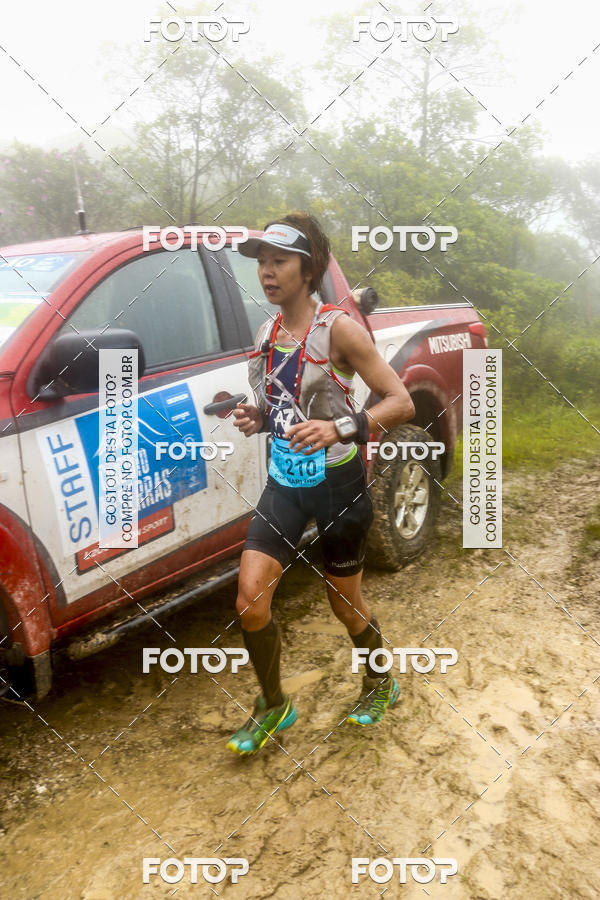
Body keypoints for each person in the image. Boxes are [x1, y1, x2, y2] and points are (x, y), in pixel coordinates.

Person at [227, 211, 415, 756]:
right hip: (285, 482)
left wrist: (341, 426)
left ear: (308, 270)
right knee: (249, 600)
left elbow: (398, 401)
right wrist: (254, 416)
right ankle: (273, 705)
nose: (266, 271)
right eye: (261, 262)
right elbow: (278, 404)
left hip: (337, 484)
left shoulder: (340, 329)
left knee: (344, 601)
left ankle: (381, 681)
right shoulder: (267, 334)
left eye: (279, 260)